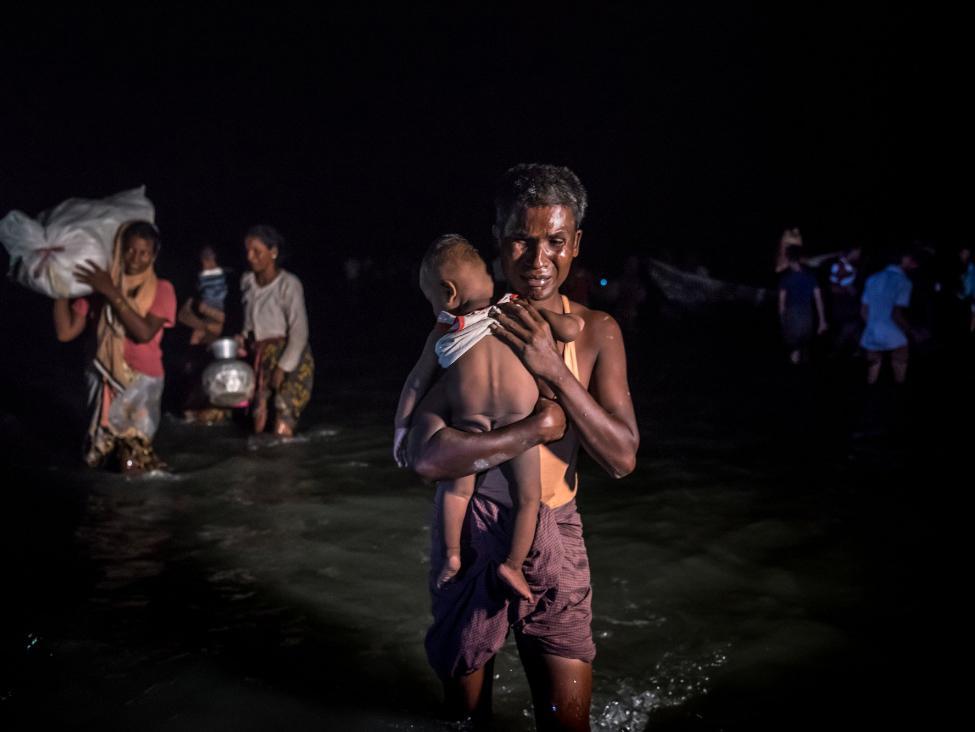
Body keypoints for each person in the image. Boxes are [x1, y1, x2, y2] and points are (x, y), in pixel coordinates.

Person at [406, 164, 639, 730]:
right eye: (522, 238)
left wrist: (550, 371)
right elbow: (426, 457)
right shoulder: (467, 329)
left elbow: (621, 457)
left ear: (576, 243)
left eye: (556, 242)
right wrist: (526, 433)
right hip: (470, 526)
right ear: (497, 236)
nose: (538, 260)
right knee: (464, 719)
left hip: (556, 524)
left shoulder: (597, 331)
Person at [395, 234, 583, 602]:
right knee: (529, 497)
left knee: (456, 489)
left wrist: (402, 429)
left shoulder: (447, 329)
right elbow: (570, 328)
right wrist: (565, 326)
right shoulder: (514, 307)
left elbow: (416, 382)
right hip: (519, 421)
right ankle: (513, 564)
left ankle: (450, 556)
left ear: (449, 293)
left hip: (471, 421)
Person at [52, 220, 176, 472]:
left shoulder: (162, 290)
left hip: (141, 383)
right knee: (98, 458)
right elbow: (65, 332)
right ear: (120, 250)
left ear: (153, 255)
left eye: (143, 252)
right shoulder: (100, 287)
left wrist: (110, 291)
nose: (135, 258)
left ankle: (138, 508)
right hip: (101, 377)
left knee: (132, 458)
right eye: (129, 250)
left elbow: (143, 333)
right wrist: (59, 288)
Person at [238, 225, 313, 436]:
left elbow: (299, 334)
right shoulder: (247, 282)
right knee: (258, 422)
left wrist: (282, 368)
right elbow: (249, 325)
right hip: (262, 357)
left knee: (283, 415)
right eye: (248, 251)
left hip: (291, 358)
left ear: (273, 252)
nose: (250, 257)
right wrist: (242, 339)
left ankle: (287, 463)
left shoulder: (288, 284)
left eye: (257, 252)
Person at [177, 245, 231, 424]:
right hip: (199, 351)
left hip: (220, 351)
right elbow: (182, 315)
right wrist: (203, 324)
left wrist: (209, 315)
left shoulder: (230, 286)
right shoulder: (198, 287)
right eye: (203, 259)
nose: (205, 264)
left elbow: (230, 321)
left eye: (209, 259)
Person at [860, 249, 920, 385]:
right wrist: (910, 330)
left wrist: (871, 326)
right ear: (903, 259)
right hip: (894, 330)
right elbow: (896, 313)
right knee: (900, 363)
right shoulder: (904, 281)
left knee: (873, 368)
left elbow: (864, 309)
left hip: (873, 329)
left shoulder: (872, 278)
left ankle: (870, 394)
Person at [777, 244, 828, 365]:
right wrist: (822, 321)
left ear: (788, 258)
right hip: (807, 315)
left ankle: (796, 358)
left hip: (792, 315)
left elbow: (781, 303)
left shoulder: (785, 278)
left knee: (794, 346)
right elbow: (818, 299)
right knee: (803, 343)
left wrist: (782, 320)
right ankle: (801, 356)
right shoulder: (811, 277)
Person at [827, 245, 863, 356]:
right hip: (845, 307)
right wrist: (849, 290)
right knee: (847, 330)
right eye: (858, 252)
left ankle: (858, 352)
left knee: (854, 329)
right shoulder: (841, 266)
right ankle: (833, 353)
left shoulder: (848, 266)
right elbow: (834, 287)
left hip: (847, 306)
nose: (859, 255)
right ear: (852, 251)